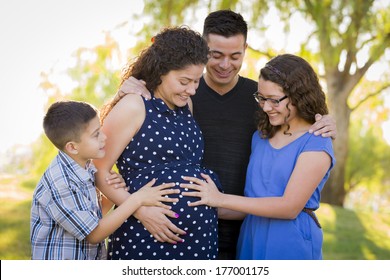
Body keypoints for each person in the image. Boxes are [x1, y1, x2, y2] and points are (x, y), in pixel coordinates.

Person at [116, 9, 337, 259]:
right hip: (183, 231)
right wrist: (124, 92)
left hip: (246, 230)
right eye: (216, 54)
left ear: (245, 49)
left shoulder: (262, 98)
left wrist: (324, 120)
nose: (224, 64)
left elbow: (297, 128)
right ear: (202, 50)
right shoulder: (182, 92)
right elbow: (135, 128)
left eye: (235, 56)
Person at [180, 53, 336, 260]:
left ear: (300, 96)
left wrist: (220, 198)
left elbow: (289, 207)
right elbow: (251, 205)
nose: (265, 107)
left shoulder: (317, 141)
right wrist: (198, 204)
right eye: (261, 98)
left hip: (290, 241)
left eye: (274, 100)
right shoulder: (260, 137)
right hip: (250, 237)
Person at [93, 26, 222, 260]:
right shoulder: (134, 105)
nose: (192, 90)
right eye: (184, 81)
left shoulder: (185, 107)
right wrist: (141, 211)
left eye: (196, 81)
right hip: (145, 234)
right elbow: (98, 170)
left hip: (198, 239)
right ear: (161, 71)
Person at [30, 100, 178, 260]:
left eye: (100, 129)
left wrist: (109, 197)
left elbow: (92, 215)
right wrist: (136, 200)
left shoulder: (84, 168)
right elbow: (94, 234)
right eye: (96, 135)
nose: (104, 137)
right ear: (72, 147)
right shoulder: (60, 183)